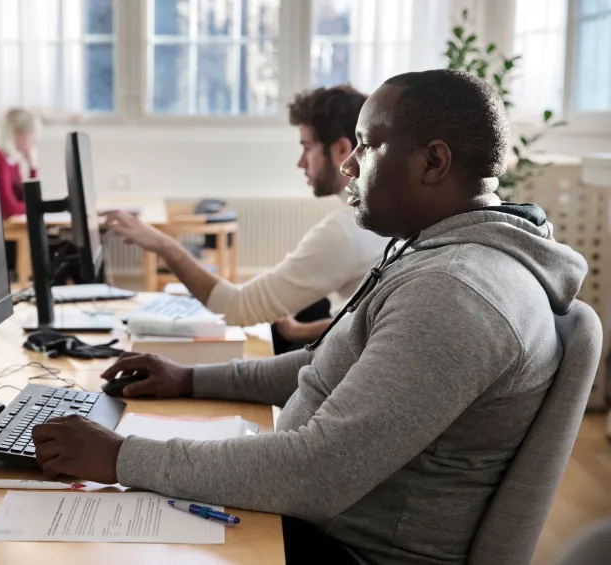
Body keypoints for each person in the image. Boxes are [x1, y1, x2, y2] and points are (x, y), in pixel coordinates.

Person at [29, 69, 588, 564]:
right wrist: (190, 378)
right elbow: (324, 365)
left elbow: (314, 475)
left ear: (433, 162)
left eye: (366, 146)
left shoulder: (456, 292)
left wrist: (121, 457)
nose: (349, 163)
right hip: (307, 520)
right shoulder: (440, 257)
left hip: (339, 544)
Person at [103, 86, 388, 347]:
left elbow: (236, 308)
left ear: (341, 149)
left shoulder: (346, 233)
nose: (300, 162)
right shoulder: (385, 221)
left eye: (306, 147)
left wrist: (162, 245)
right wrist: (301, 331)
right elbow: (369, 321)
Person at [0, 108, 38, 221]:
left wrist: (32, 167)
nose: (33, 141)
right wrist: (36, 207)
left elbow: (26, 199)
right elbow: (9, 209)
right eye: (31, 134)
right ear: (19, 134)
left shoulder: (12, 161)